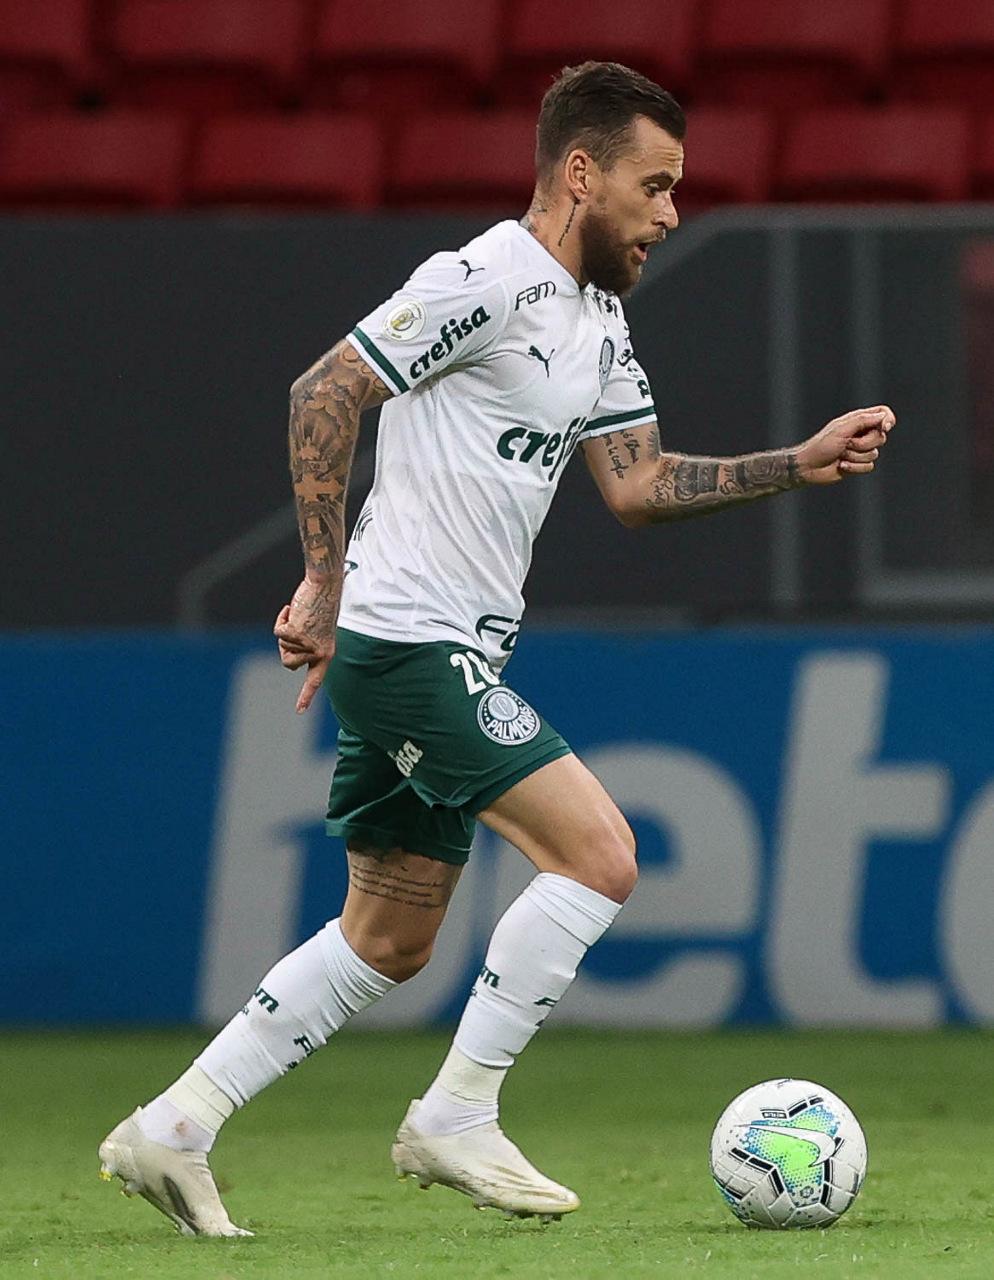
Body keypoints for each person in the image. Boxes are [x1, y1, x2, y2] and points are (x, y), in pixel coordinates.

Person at [98, 61, 894, 1237]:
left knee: (390, 935)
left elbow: (637, 484)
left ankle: (173, 1125)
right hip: (407, 640)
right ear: (580, 173)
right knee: (601, 855)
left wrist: (797, 462)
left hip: (443, 649)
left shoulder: (597, 323)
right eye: (653, 185)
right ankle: (457, 1111)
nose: (672, 213)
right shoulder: (483, 282)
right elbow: (324, 391)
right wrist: (322, 580)